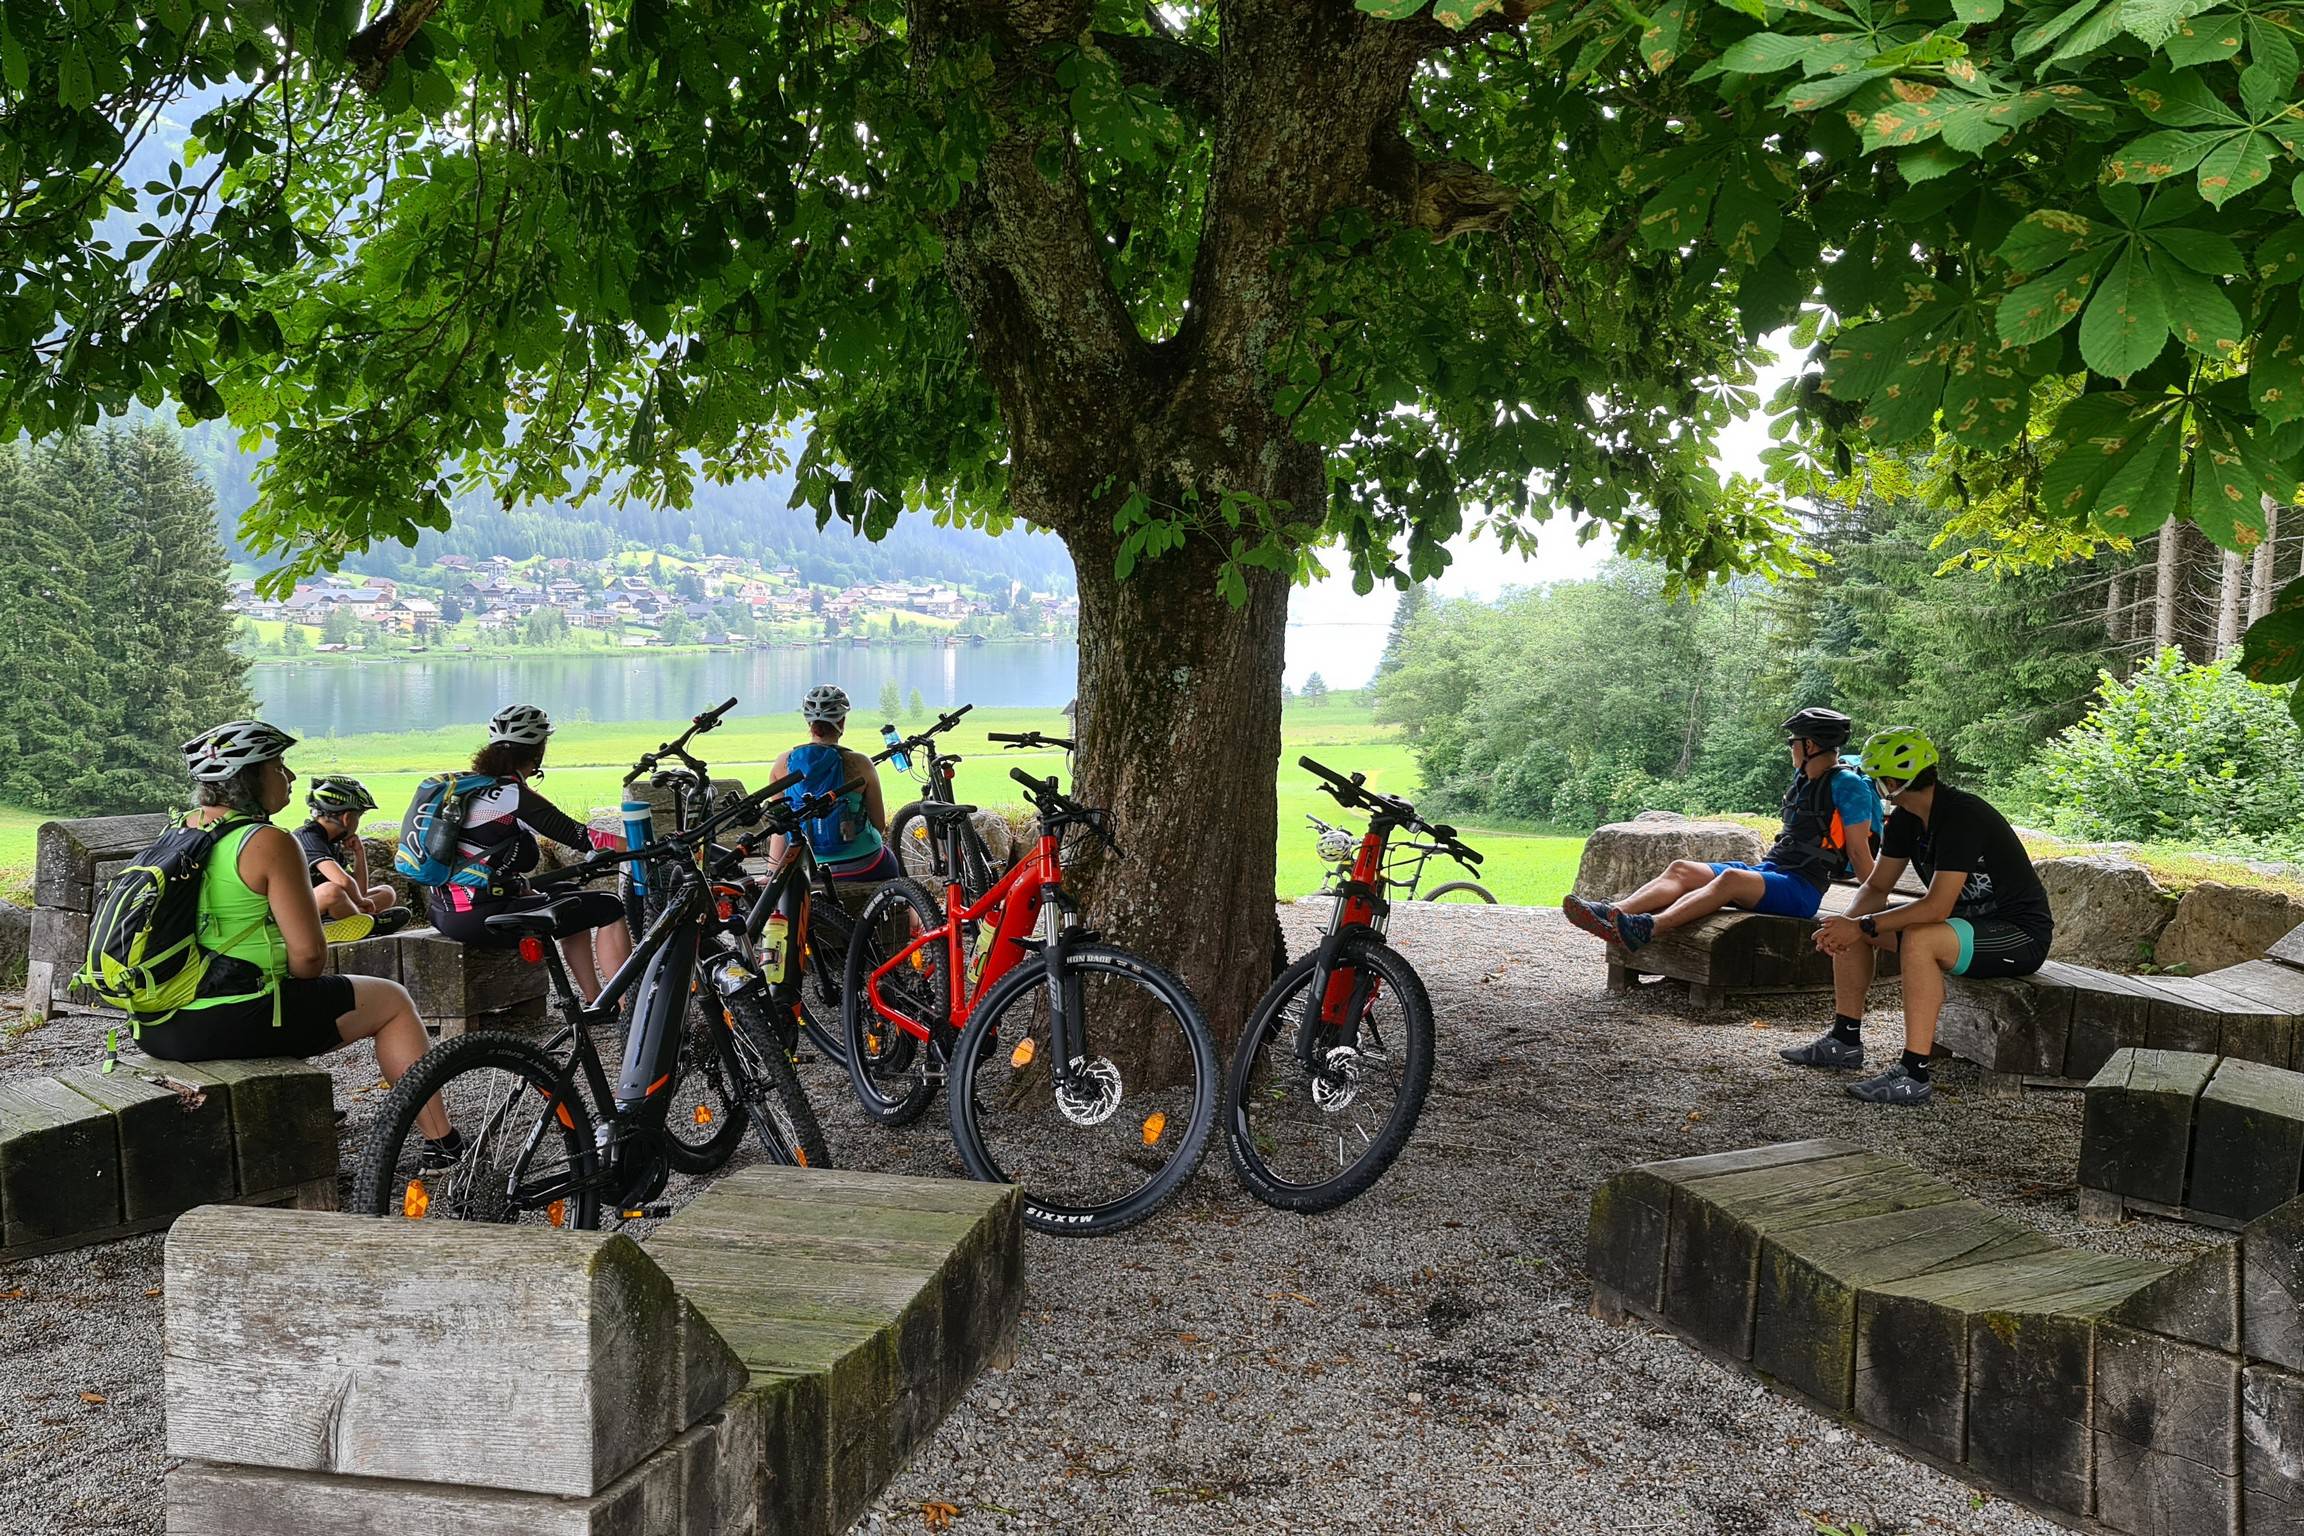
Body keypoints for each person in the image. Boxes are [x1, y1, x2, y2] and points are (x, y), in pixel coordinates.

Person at [153, 720, 457, 1160]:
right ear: (250, 777)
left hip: (160, 1021)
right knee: (392, 1002)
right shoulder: (267, 840)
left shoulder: (180, 831)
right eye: (278, 766)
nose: (290, 777)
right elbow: (310, 959)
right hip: (225, 1022)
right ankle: (443, 1145)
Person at [1786, 727, 2056, 1107]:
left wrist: (1862, 925)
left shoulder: (1963, 816)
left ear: (1894, 782)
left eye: (1876, 778)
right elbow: (1876, 887)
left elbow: (1936, 907)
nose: (1874, 785)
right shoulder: (1907, 819)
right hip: (1960, 929)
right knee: (1855, 927)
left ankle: (1913, 1075)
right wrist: (1845, 925)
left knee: (1918, 939)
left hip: (2018, 934)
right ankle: (1844, 1040)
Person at [1562, 707, 1880, 951]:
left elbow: (1857, 850)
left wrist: (1874, 906)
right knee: (1682, 869)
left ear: (1809, 744)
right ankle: (1610, 912)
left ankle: (1648, 928)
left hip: (1802, 889)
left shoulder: (1847, 785)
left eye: (1792, 742)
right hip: (1774, 871)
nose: (1790, 748)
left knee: (1730, 879)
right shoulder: (1805, 778)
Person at [424, 704, 633, 1002]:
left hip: (444, 910)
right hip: (480, 915)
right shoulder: (512, 796)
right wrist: (641, 846)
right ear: (538, 750)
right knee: (608, 906)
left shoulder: (476, 788)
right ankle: (629, 1010)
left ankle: (595, 1000)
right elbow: (582, 837)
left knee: (570, 896)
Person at [765, 684, 898, 881]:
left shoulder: (782, 764)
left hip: (807, 869)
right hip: (863, 865)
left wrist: (771, 874)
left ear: (809, 723)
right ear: (842, 722)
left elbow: (778, 826)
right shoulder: (861, 763)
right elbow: (878, 824)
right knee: (900, 875)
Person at [294, 775, 411, 936]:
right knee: (332, 891)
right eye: (359, 816)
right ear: (347, 817)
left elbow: (359, 889)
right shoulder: (308, 837)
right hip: (296, 910)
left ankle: (342, 923)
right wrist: (361, 902)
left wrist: (359, 853)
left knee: (386, 892)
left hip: (324, 908)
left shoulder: (332, 841)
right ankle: (371, 924)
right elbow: (343, 881)